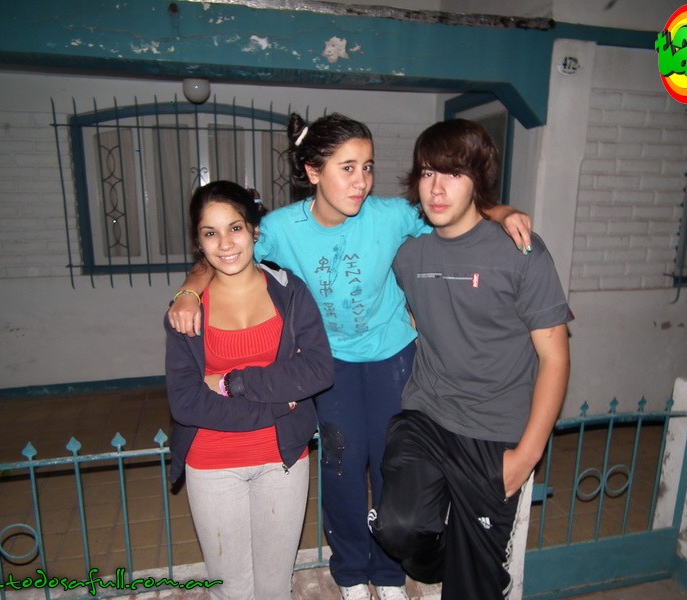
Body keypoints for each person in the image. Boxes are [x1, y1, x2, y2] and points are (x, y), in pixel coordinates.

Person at [167, 113, 532, 600]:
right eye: (347, 168)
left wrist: (504, 211)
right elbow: (223, 249)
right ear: (313, 172)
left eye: (368, 167)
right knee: (341, 466)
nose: (361, 181)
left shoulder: (390, 215)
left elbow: (455, 207)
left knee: (390, 466)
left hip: (392, 356)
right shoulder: (281, 228)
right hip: (330, 363)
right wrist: (189, 291)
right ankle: (351, 573)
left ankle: (389, 574)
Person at [368, 119, 572, 600]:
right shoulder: (407, 251)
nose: (436, 189)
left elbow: (555, 359)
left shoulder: (521, 251)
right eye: (427, 173)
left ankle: (469, 567)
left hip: (494, 432)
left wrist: (526, 456)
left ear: (477, 180)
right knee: (396, 529)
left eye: (453, 174)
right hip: (427, 415)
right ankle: (445, 559)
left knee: (473, 587)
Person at [164, 180, 334, 600]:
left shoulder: (289, 291)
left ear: (255, 230)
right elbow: (186, 403)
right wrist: (277, 406)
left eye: (235, 228)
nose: (225, 244)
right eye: (210, 233)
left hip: (282, 462)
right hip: (213, 465)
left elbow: (317, 370)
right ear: (198, 242)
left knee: (275, 588)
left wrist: (232, 384)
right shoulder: (186, 312)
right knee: (232, 590)